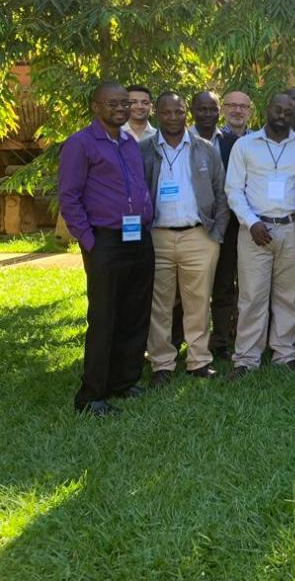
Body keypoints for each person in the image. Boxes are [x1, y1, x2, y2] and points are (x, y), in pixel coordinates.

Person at [58, 82, 155, 415]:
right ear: (95, 106)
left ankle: (124, 382)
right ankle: (91, 395)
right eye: (112, 103)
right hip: (105, 241)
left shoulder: (129, 142)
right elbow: (69, 197)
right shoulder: (80, 144)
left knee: (135, 311)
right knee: (104, 315)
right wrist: (88, 240)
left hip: (137, 237)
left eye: (124, 103)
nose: (120, 108)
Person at [140, 93, 229, 385]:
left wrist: (215, 235)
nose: (174, 117)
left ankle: (198, 361)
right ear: (158, 113)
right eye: (167, 112)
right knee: (159, 304)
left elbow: (221, 194)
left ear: (185, 113)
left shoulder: (204, 149)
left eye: (179, 111)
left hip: (198, 236)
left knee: (198, 302)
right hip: (158, 237)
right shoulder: (145, 150)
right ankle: (161, 364)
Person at [225, 92, 295, 377]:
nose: (282, 115)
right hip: (254, 231)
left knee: (288, 295)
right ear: (266, 110)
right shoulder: (245, 145)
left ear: (294, 114)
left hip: (291, 227)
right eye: (277, 109)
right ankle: (246, 358)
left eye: (288, 112)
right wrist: (251, 222)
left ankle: (284, 353)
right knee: (251, 296)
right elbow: (233, 190)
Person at [197, 90, 241, 358]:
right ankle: (187, 341)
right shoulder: (182, 140)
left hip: (228, 226)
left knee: (224, 286)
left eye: (212, 109)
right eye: (203, 109)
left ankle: (220, 342)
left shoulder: (232, 143)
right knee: (191, 291)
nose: (208, 114)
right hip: (192, 226)